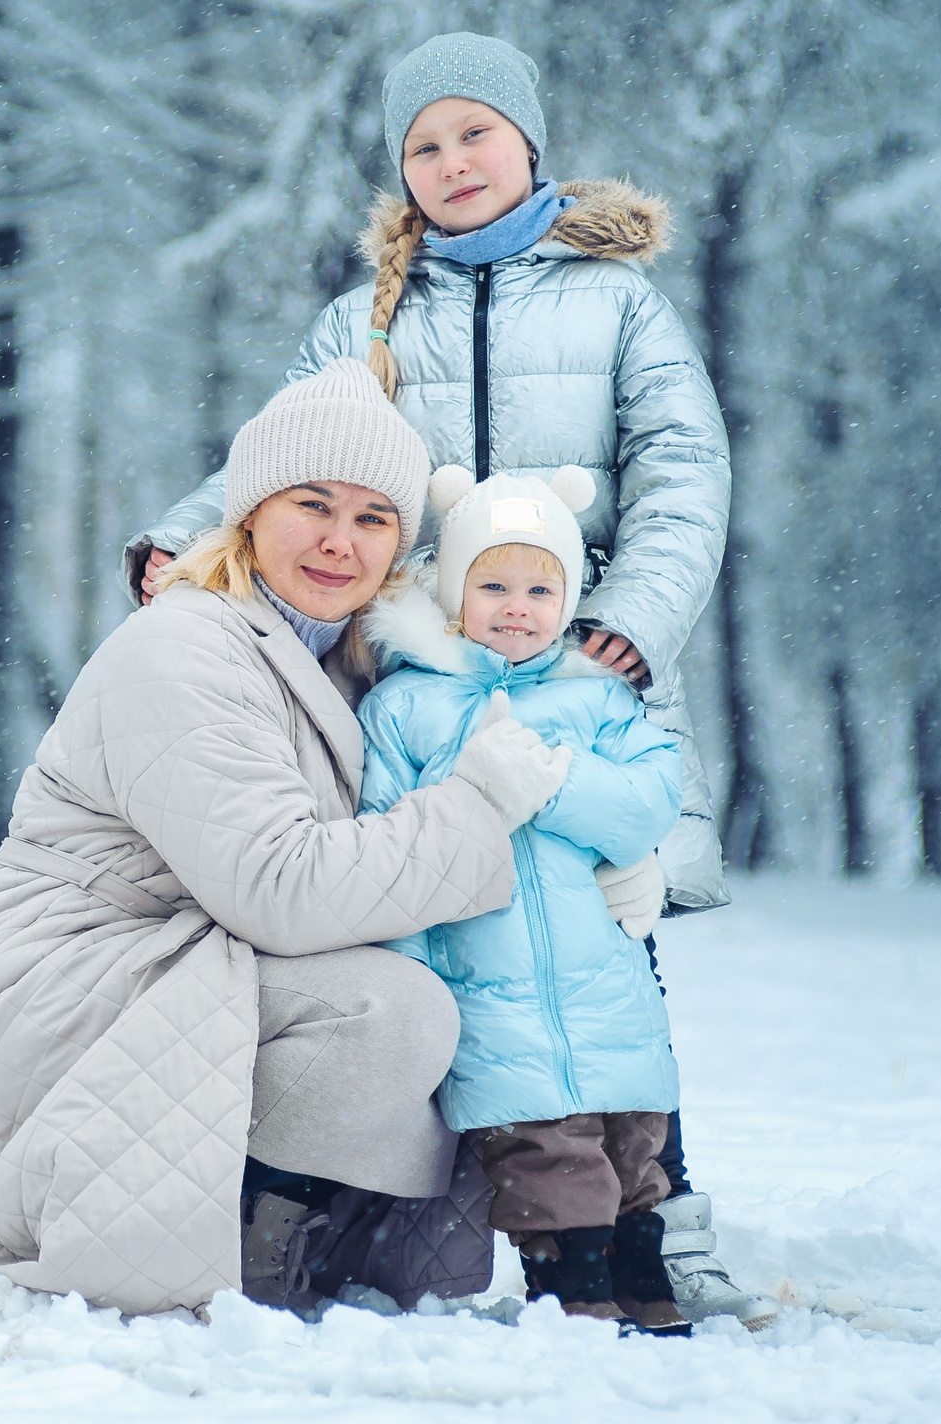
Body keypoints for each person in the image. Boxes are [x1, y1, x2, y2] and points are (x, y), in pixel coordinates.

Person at [125, 32, 774, 1326]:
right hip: (426, 682)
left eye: (473, 132)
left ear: (531, 144)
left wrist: (631, 625)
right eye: (423, 144)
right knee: (437, 946)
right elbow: (282, 457)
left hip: (582, 674)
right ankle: (428, 1213)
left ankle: (660, 1217)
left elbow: (684, 476)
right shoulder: (371, 320)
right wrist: (184, 537)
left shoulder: (615, 304)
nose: (450, 161)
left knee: (611, 951)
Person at [0, 360, 566, 1318]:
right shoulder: (186, 645)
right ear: (250, 512)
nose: (341, 542)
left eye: (374, 518)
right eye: (313, 504)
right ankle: (243, 1238)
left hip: (180, 956)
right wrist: (476, 807)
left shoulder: (339, 659)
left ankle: (313, 1231)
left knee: (462, 986)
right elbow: (281, 888)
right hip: (63, 978)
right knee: (392, 1013)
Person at [359, 464, 688, 1332]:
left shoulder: (594, 699)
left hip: (604, 978)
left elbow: (653, 798)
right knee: (543, 1147)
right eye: (492, 584)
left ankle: (642, 1274)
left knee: (634, 1137)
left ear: (570, 595)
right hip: (485, 979)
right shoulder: (407, 707)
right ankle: (570, 1285)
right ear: (452, 592)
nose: (517, 606)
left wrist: (555, 783)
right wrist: (411, 977)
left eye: (541, 587)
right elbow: (388, 841)